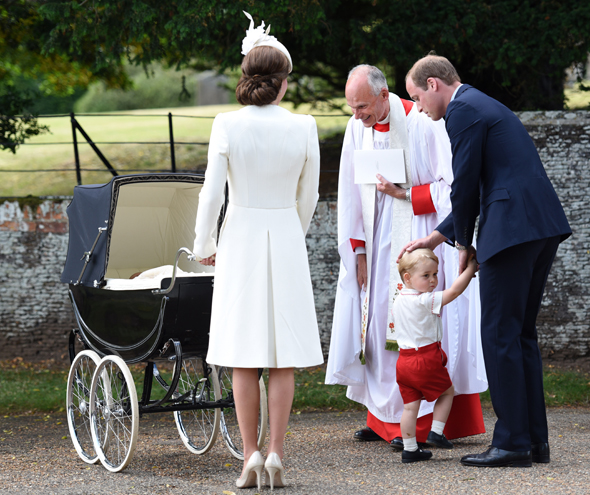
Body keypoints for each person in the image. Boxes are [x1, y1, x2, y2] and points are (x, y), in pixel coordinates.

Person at [402, 55, 572, 467]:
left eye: (417, 97)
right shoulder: (481, 104)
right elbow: (479, 184)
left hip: (511, 229)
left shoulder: (461, 111)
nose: (419, 108)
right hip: (539, 224)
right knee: (519, 335)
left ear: (433, 84)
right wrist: (439, 234)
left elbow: (465, 182)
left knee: (498, 334)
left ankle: (512, 442)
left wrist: (461, 245)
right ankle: (533, 440)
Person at [325, 65, 487, 451]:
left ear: (384, 96)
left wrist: (406, 196)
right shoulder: (355, 129)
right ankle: (383, 420)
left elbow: (455, 187)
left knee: (417, 325)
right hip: (376, 239)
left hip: (419, 233)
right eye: (352, 107)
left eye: (362, 106)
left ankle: (428, 424)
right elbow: (350, 188)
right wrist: (358, 249)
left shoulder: (423, 122)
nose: (357, 115)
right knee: (379, 322)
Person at [192, 12, 323, 490]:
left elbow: (211, 194)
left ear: (246, 78)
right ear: (283, 82)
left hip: (241, 236)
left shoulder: (226, 124)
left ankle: (249, 454)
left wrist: (205, 242)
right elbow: (308, 198)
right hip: (284, 235)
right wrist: (293, 230)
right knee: (281, 356)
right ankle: (276, 453)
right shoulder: (304, 126)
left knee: (243, 355)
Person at [393, 248, 478, 463]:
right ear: (407, 278)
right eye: (426, 275)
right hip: (425, 358)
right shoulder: (423, 301)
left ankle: (410, 449)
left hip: (404, 361)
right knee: (447, 392)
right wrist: (470, 269)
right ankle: (437, 432)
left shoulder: (399, 299)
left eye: (435, 274)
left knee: (410, 407)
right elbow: (454, 292)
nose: (433, 280)